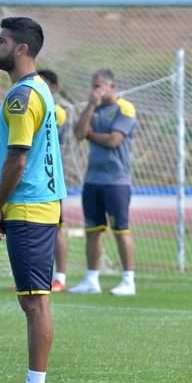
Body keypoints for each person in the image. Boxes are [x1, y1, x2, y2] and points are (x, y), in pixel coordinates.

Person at [0, 17, 66, 383]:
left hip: (30, 207)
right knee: (35, 300)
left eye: (1, 41)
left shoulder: (23, 95)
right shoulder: (38, 90)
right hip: (41, 206)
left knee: (35, 302)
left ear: (21, 49)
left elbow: (17, 160)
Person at [68, 69, 137, 296]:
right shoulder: (93, 109)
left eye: (99, 86)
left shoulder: (124, 108)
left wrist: (91, 135)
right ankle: (91, 279)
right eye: (93, 85)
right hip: (92, 180)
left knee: (120, 229)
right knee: (92, 230)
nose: (95, 90)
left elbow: (114, 140)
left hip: (117, 181)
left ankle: (128, 280)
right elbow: (78, 134)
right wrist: (89, 106)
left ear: (111, 86)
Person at [38, 69, 69, 292]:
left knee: (56, 227)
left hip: (50, 179)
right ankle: (36, 277)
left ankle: (60, 277)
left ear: (54, 88)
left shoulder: (57, 112)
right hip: (32, 179)